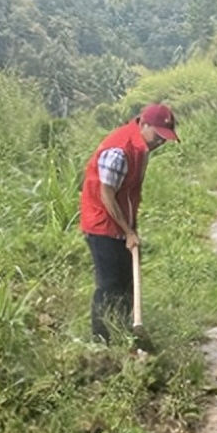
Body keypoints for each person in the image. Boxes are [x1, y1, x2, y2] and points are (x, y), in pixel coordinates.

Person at [79, 103, 178, 344]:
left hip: (122, 224)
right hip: (102, 225)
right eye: (157, 136)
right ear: (143, 124)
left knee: (127, 281)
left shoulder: (142, 148)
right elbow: (107, 196)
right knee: (109, 284)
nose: (160, 142)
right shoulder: (119, 152)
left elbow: (131, 191)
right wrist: (128, 231)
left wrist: (132, 228)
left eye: (165, 139)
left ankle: (122, 330)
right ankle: (101, 340)